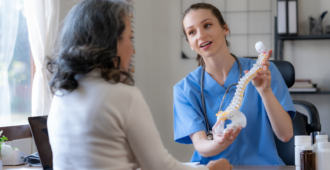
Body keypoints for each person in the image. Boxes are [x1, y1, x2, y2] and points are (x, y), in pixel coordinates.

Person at [47, 0, 233, 170]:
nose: (132, 48)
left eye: (207, 25)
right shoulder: (123, 96)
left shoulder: (60, 97)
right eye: (130, 38)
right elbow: (160, 166)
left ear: (225, 29)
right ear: (111, 43)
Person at [173, 3, 296, 165]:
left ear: (225, 29)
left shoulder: (263, 71)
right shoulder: (185, 89)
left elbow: (286, 135)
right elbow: (200, 144)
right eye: (192, 32)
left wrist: (265, 91)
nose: (200, 35)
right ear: (190, 42)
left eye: (207, 25)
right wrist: (218, 143)